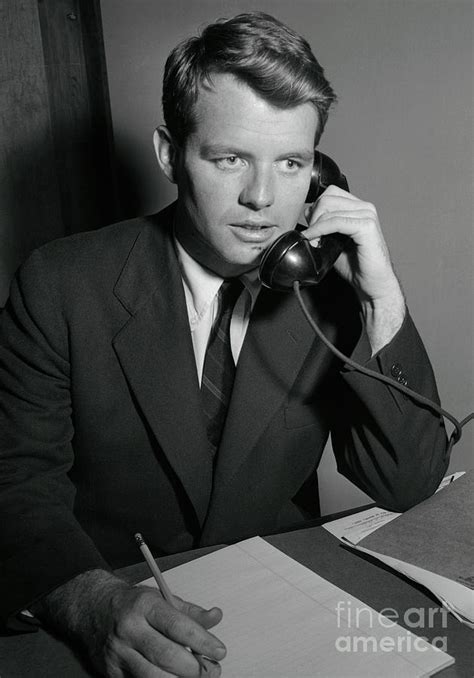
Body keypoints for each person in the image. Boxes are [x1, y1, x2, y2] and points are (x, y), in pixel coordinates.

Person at [0, 11, 448, 678]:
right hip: (112, 609)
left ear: (319, 172)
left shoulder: (325, 293)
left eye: (291, 163)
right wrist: (91, 601)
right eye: (230, 157)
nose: (263, 198)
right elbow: (14, 486)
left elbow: (406, 483)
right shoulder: (62, 282)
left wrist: (381, 298)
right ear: (169, 154)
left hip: (286, 608)